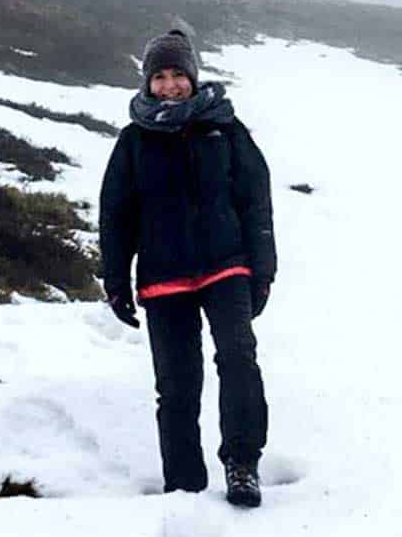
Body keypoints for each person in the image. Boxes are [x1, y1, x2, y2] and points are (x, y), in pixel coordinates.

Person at [99, 28, 276, 507]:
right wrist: (114, 279)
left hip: (225, 266)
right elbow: (116, 215)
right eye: (160, 76)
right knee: (176, 386)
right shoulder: (134, 141)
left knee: (238, 358)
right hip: (163, 277)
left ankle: (242, 463)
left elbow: (255, 201)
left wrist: (263, 269)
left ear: (194, 78)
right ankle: (183, 486)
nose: (171, 85)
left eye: (179, 74)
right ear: (147, 83)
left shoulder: (226, 129)